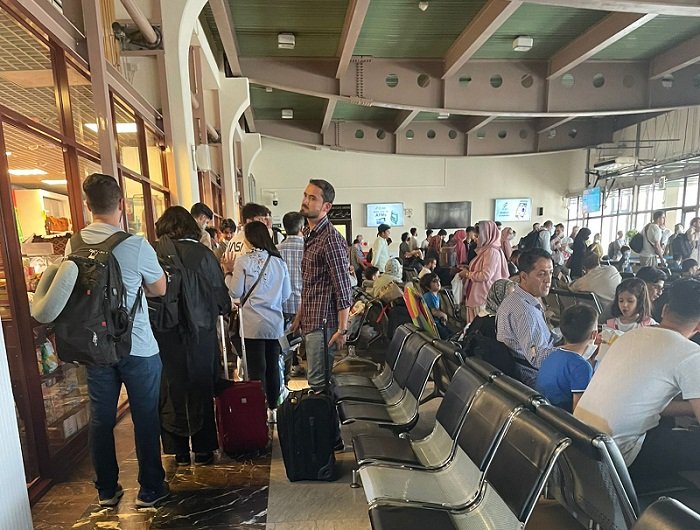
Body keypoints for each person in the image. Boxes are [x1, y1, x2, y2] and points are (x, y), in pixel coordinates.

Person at [76, 173, 168, 508]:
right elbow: (159, 288)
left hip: (95, 346)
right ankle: (150, 489)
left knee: (101, 419)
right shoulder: (135, 245)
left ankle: (106, 490)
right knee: (145, 417)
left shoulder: (75, 244)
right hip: (138, 345)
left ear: (88, 205)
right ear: (121, 205)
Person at [575, 279, 700, 484]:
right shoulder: (691, 354)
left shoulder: (630, 335)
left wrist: (689, 409)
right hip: (617, 460)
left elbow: (645, 404)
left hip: (581, 447)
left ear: (664, 310)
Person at [153, 206, 230, 467]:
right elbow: (220, 297)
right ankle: (204, 447)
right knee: (201, 386)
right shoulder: (204, 255)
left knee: (171, 387)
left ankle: (178, 450)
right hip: (201, 332)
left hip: (165, 332)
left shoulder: (156, 253)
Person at [224, 221, 291, 421]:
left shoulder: (243, 262)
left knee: (256, 368)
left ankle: (258, 410)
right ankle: (274, 409)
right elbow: (286, 294)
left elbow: (235, 292)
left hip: (251, 324)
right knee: (273, 366)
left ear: (249, 238)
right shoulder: (279, 262)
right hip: (274, 324)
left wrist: (227, 273)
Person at [292, 179, 353, 393]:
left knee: (318, 384)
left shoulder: (330, 239)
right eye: (305, 195)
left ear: (326, 206)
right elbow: (311, 282)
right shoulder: (310, 234)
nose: (305, 201)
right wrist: (300, 314)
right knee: (316, 381)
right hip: (311, 320)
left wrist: (342, 329)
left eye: (312, 198)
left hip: (323, 324)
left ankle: (324, 415)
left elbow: (342, 287)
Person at [496, 248, 556, 387]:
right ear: (523, 276)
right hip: (533, 379)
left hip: (520, 371)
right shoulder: (525, 311)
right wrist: (573, 348)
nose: (548, 280)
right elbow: (539, 359)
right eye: (541, 274)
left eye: (550, 273)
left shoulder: (514, 299)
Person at [536, 305, 597, 413]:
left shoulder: (552, 354)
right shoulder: (581, 366)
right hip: (560, 419)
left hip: (542, 414)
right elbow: (579, 411)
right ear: (594, 334)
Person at [460, 220, 509, 322]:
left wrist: (467, 274)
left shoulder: (491, 252)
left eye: (477, 236)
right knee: (472, 326)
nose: (475, 239)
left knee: (478, 326)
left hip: (483, 296)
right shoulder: (485, 251)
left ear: (487, 235)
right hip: (477, 294)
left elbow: (485, 275)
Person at [278, 212, 305, 377]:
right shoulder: (308, 248)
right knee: (308, 340)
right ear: (302, 227)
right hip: (305, 303)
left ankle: (287, 372)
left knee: (285, 341)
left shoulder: (276, 250)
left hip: (283, 303)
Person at [420, 273, 450, 339]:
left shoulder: (436, 295)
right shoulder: (429, 296)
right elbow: (434, 312)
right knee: (447, 335)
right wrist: (443, 315)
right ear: (427, 286)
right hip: (432, 323)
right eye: (434, 281)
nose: (438, 283)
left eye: (438, 280)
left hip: (437, 321)